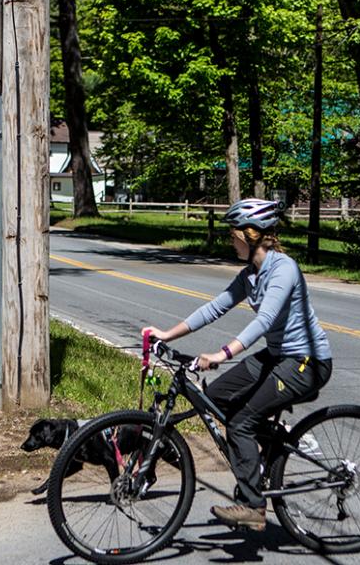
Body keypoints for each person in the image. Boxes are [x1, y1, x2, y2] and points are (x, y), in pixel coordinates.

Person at [142, 198, 333, 531]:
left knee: (240, 423)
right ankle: (273, 446)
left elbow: (266, 319)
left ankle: (253, 506)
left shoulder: (283, 268)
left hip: (307, 362)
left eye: (234, 235)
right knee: (214, 399)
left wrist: (222, 353)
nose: (231, 241)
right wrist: (166, 335)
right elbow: (215, 307)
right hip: (278, 357)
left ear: (251, 234)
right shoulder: (251, 275)